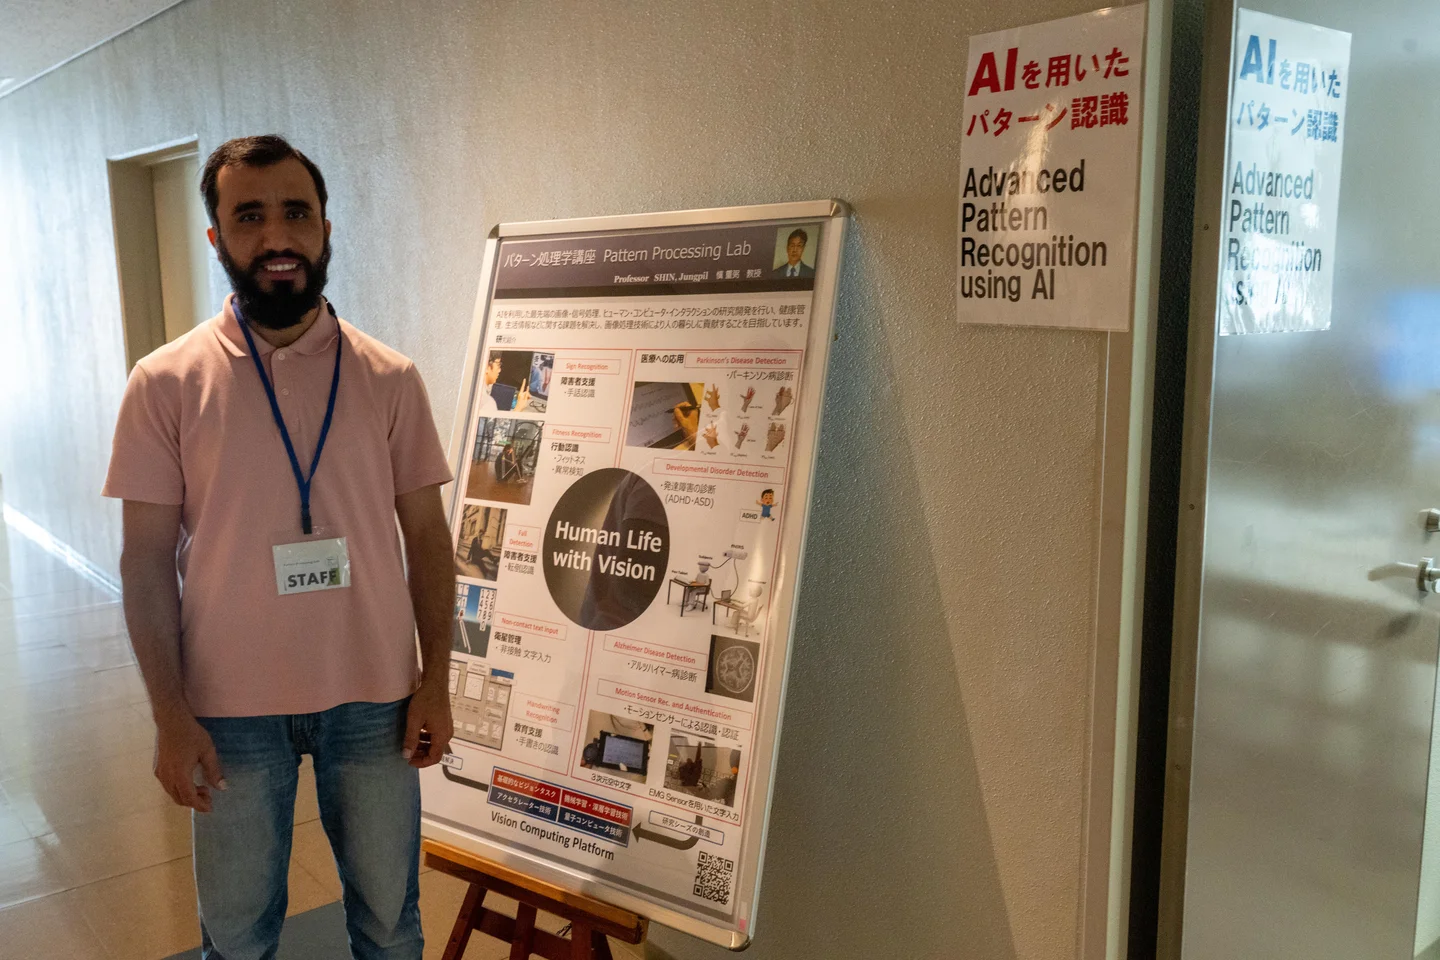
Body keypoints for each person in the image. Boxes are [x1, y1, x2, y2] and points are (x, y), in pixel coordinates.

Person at [103, 134, 455, 960]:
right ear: (217, 237)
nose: (276, 237)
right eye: (249, 217)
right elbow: (144, 562)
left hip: (375, 696)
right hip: (227, 705)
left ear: (325, 228)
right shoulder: (164, 383)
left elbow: (428, 537)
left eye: (296, 213)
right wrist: (169, 715)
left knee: (391, 927)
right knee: (236, 939)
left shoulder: (389, 377)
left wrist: (437, 680)